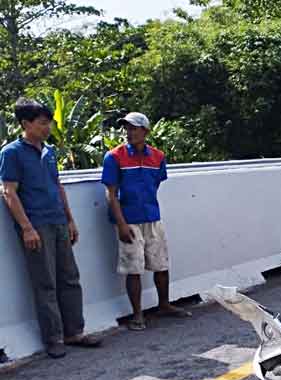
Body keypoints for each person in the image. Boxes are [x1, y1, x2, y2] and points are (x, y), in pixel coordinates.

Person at [0, 98, 101, 358]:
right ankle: (53, 338)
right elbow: (9, 192)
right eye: (42, 123)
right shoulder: (11, 153)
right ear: (26, 124)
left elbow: (58, 186)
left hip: (57, 220)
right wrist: (26, 228)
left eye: (49, 123)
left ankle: (74, 331)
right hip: (36, 224)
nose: (48, 128)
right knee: (45, 283)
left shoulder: (50, 152)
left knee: (69, 277)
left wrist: (69, 219)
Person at [101, 112, 191, 331]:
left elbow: (156, 184)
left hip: (152, 216)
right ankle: (138, 314)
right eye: (126, 128)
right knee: (134, 268)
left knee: (161, 263)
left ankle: (164, 305)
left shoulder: (158, 157)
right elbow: (110, 193)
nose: (128, 133)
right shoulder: (114, 157)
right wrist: (121, 223)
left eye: (133, 128)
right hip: (128, 220)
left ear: (145, 131)